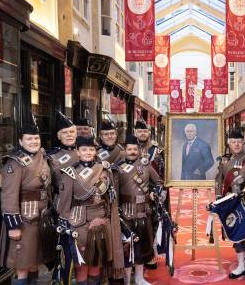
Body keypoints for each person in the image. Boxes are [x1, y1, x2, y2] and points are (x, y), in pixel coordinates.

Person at [58, 136, 124, 284]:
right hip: (79, 223)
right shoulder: (70, 172)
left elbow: (110, 199)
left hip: (101, 221)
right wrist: (66, 225)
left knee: (97, 262)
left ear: (96, 151)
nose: (88, 152)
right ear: (78, 152)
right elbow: (64, 203)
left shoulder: (104, 169)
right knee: (81, 264)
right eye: (84, 149)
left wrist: (106, 218)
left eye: (91, 149)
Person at [0, 119, 51, 285]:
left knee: (34, 262)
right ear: (20, 141)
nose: (33, 142)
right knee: (22, 266)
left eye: (36, 138)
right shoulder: (14, 162)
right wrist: (13, 225)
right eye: (29, 139)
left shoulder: (41, 155)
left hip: (40, 218)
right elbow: (8, 195)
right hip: (24, 220)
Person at [112, 135, 165, 285]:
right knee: (128, 247)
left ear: (139, 150)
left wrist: (155, 191)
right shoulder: (118, 169)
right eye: (130, 149)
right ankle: (127, 280)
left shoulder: (146, 166)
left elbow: (159, 182)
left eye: (135, 149)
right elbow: (114, 193)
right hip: (126, 213)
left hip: (144, 211)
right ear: (125, 150)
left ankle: (140, 278)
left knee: (142, 246)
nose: (133, 151)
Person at [215, 128, 245, 284]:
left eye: (239, 141)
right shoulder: (224, 161)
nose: (237, 144)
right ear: (229, 143)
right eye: (233, 142)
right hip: (231, 202)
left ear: (243, 142)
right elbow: (219, 181)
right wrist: (219, 199)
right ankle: (240, 265)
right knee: (236, 234)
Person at [134, 120, 166, 270]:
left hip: (154, 192)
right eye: (139, 131)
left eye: (145, 131)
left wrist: (161, 190)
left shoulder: (156, 150)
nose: (142, 133)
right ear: (135, 133)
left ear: (149, 133)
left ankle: (151, 255)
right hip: (134, 192)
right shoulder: (129, 148)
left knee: (153, 222)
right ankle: (135, 255)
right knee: (135, 224)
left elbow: (163, 171)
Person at [48, 111, 79, 211]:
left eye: (72, 132)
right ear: (58, 136)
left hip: (83, 202)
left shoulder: (86, 152)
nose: (69, 135)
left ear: (76, 134)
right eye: (65, 132)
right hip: (61, 203)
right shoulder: (52, 157)